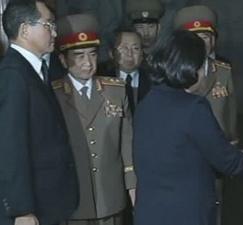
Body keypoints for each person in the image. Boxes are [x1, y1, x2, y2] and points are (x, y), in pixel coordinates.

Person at [132, 29, 243, 225]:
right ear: (191, 68)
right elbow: (230, 162)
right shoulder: (193, 108)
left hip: (149, 215)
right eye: (204, 64)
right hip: (186, 215)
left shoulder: (147, 103)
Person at [52, 13, 136, 225]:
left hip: (111, 197)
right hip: (73, 200)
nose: (87, 63)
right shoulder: (52, 95)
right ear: (63, 59)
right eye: (79, 56)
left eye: (92, 55)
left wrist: (133, 189)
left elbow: (127, 144)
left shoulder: (115, 90)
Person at [0, 1, 78, 225]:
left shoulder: (37, 70)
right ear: (25, 30)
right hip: (32, 210)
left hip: (49, 203)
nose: (54, 32)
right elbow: (9, 148)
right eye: (48, 25)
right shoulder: (13, 76)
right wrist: (21, 210)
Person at [174, 5, 238, 145]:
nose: (200, 43)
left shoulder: (223, 72)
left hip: (219, 150)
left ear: (213, 40)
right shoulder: (172, 72)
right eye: (194, 38)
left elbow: (230, 116)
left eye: (205, 37)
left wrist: (233, 145)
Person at [108, 29, 151, 115]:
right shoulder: (103, 79)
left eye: (135, 48)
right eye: (124, 48)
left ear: (142, 54)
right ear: (111, 53)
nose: (129, 54)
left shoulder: (153, 81)